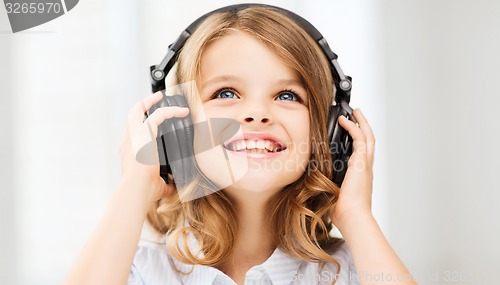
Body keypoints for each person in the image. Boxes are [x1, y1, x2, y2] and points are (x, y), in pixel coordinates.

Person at [63, 5, 416, 285]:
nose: (257, 113)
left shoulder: (355, 270)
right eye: (226, 93)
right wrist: (134, 187)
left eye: (287, 95)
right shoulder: (137, 270)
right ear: (180, 126)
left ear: (328, 134)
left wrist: (355, 215)